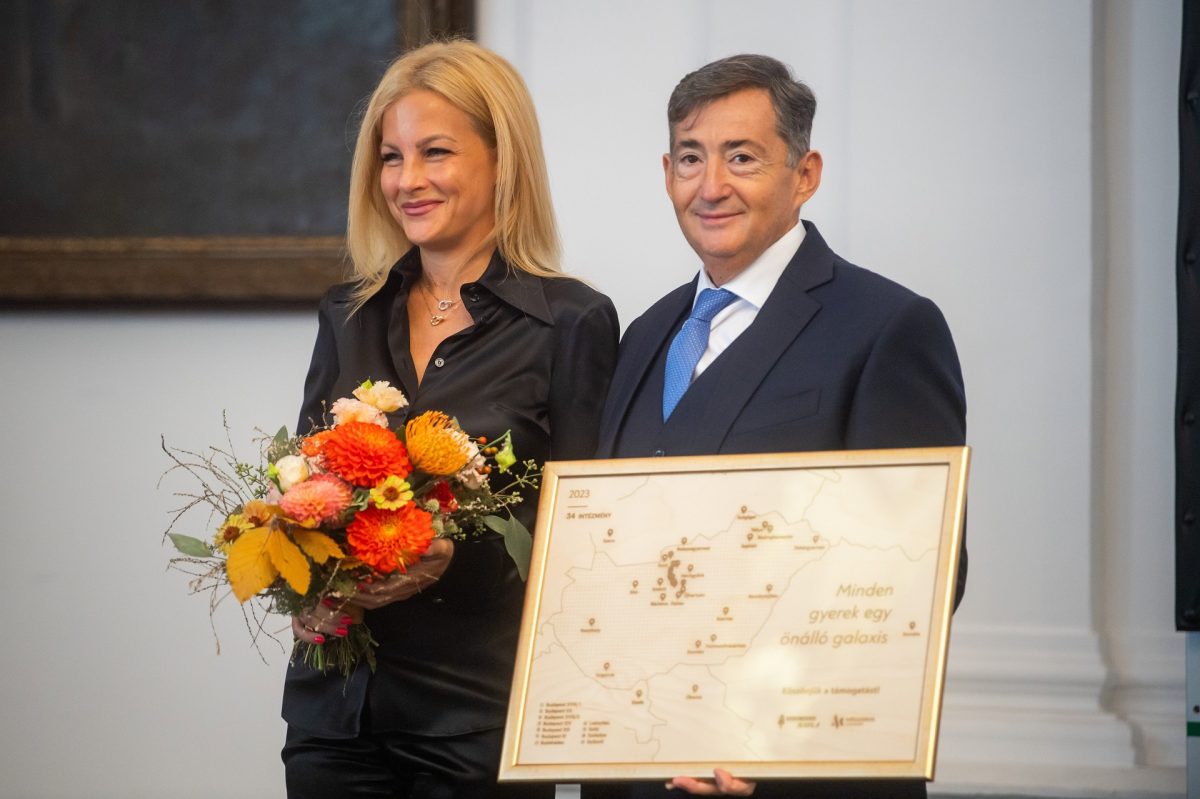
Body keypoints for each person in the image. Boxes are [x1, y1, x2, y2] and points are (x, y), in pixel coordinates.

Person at [585, 54, 966, 799]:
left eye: (742, 158)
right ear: (667, 173)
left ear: (805, 173)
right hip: (637, 764)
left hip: (786, 773)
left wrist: (772, 740)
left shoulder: (888, 327)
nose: (711, 186)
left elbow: (917, 571)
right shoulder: (644, 334)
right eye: (691, 158)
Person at [280, 40, 619, 799]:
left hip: (475, 722)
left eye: (435, 152)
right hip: (334, 720)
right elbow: (302, 486)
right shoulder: (347, 314)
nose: (408, 180)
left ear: (502, 161)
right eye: (391, 158)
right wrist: (303, 582)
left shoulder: (572, 321)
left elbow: (587, 541)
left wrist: (452, 557)